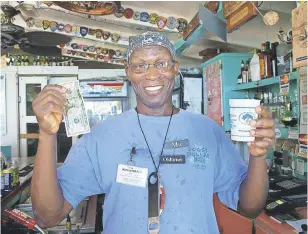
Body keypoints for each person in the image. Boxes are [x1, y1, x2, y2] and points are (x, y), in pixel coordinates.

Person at [31, 31, 274, 234]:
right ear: (128, 72)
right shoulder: (100, 137)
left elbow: (249, 208)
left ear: (175, 68)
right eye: (140, 65)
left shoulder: (209, 132)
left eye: (161, 63)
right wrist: (47, 134)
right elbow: (47, 217)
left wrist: (259, 156)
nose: (152, 74)